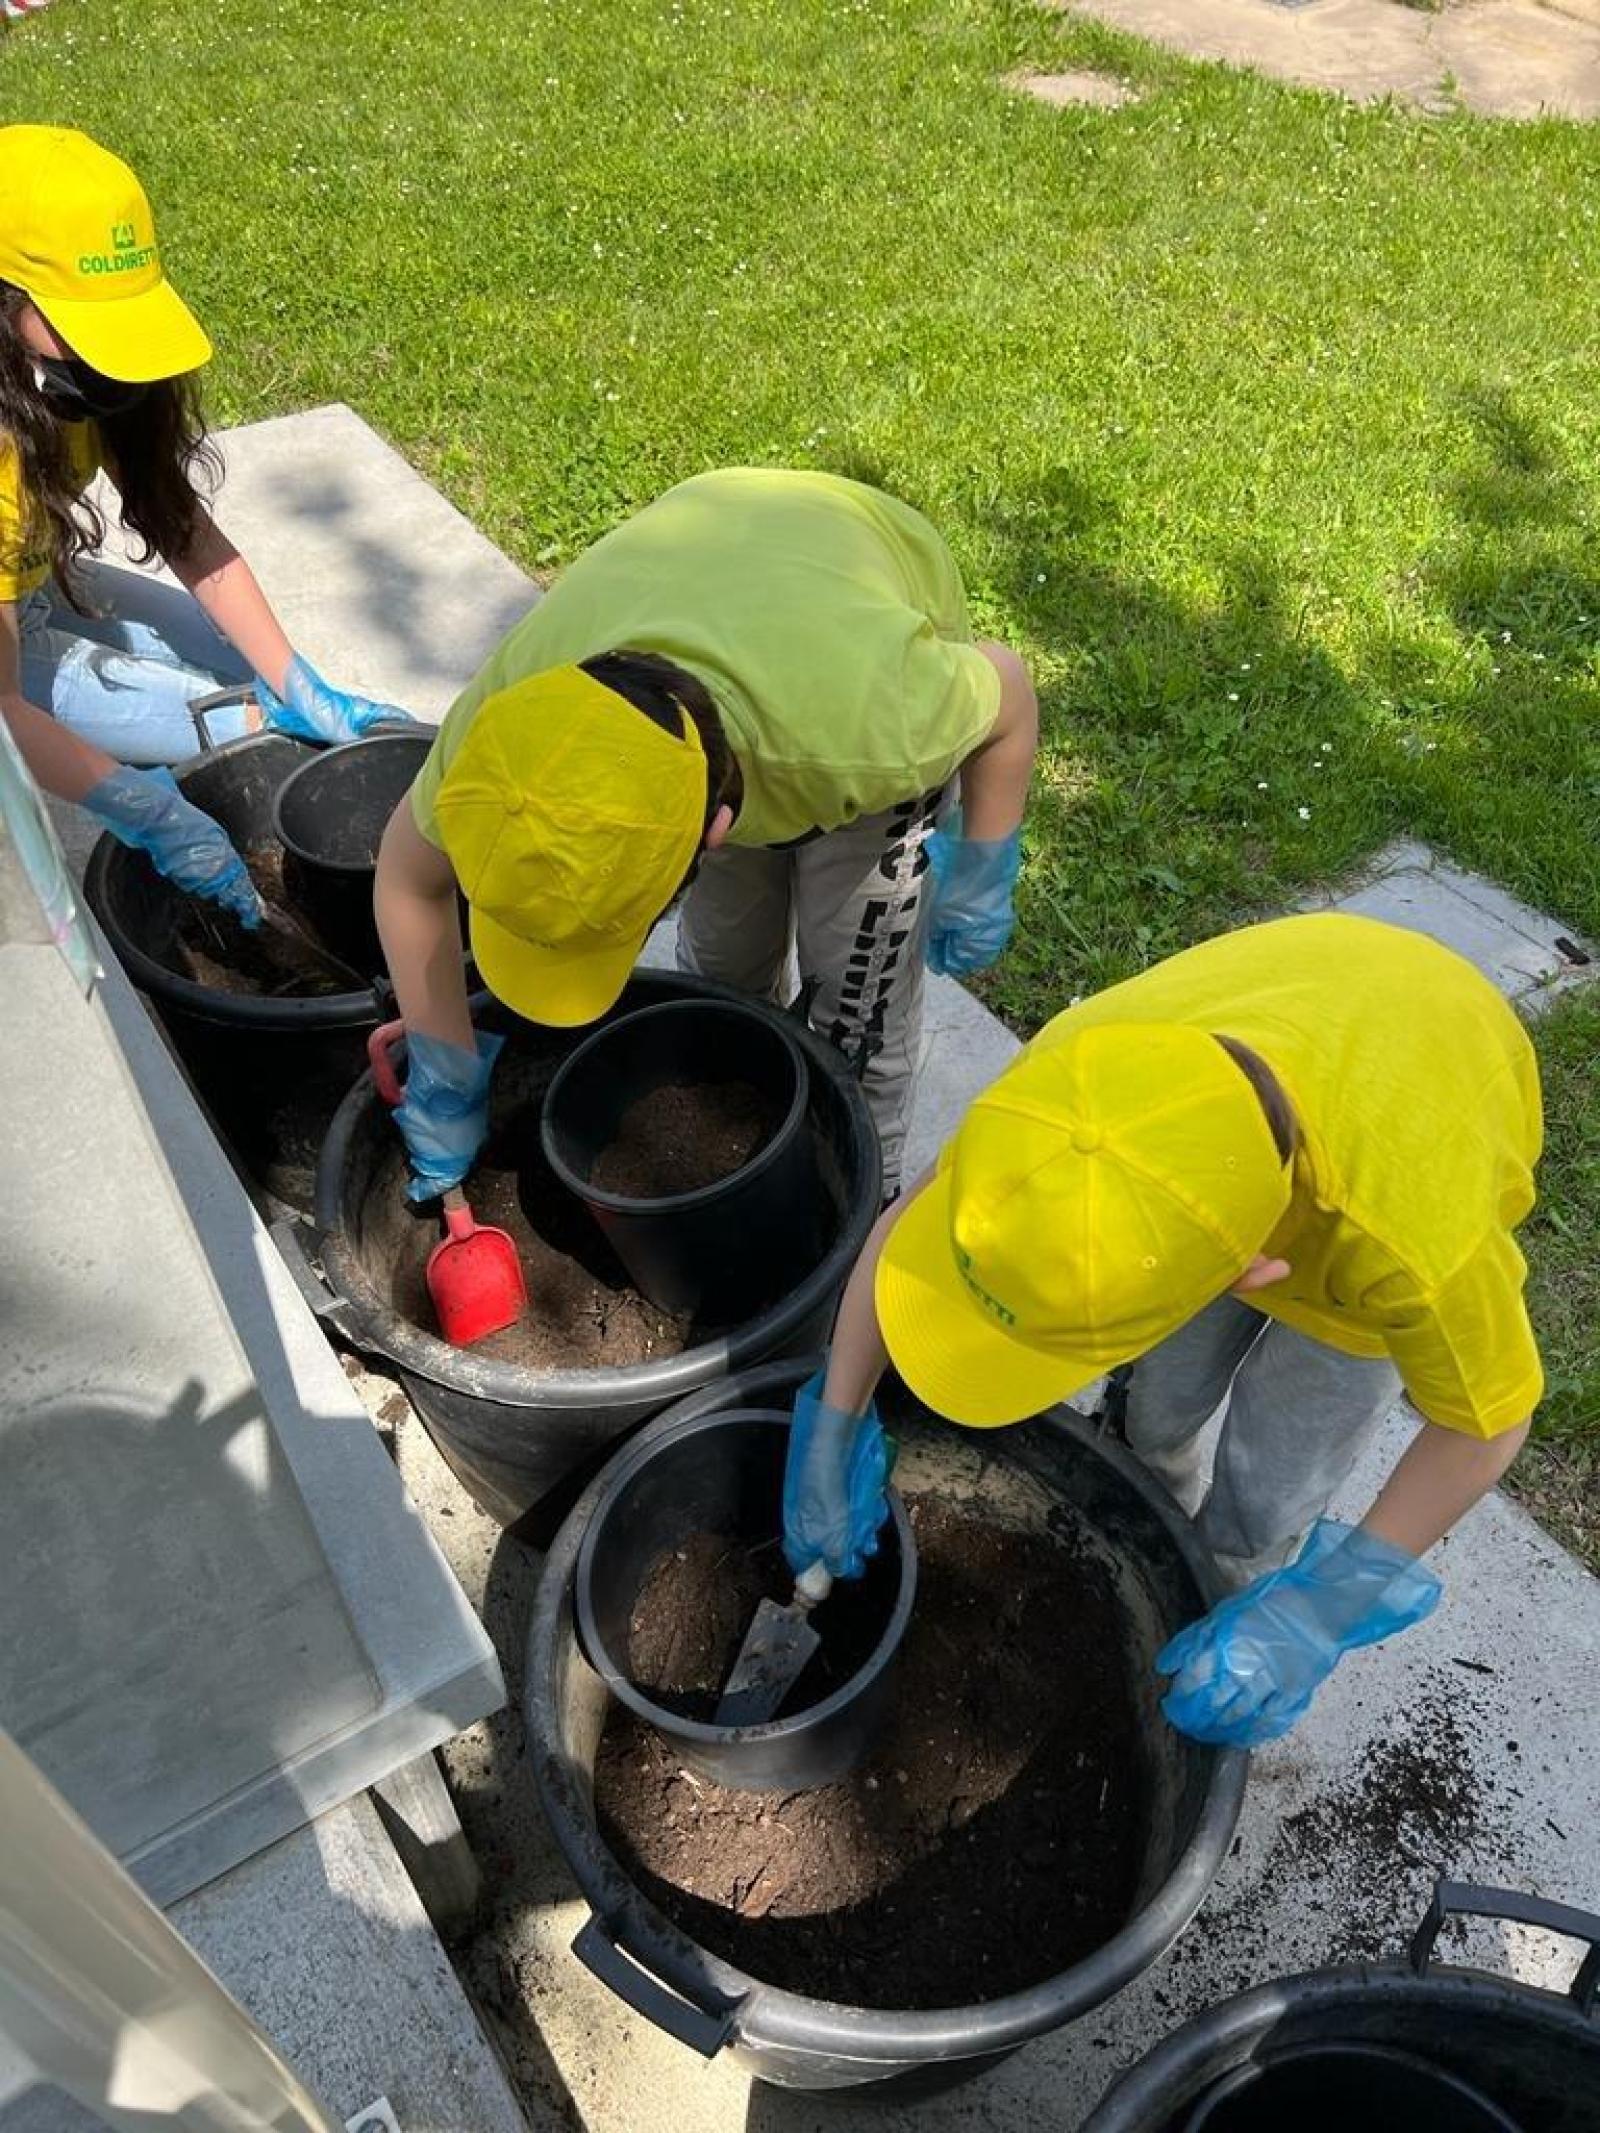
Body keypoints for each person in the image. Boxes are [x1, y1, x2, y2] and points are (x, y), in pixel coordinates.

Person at [782, 912, 1542, 1748]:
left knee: (1274, 1482)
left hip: (1413, 1132)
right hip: (1315, 1027)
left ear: (1244, 1273)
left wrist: (1316, 1611)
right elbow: (914, 1220)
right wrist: (835, 1416)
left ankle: (1229, 1588)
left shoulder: (1418, 1250)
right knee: (1156, 1410)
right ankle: (1153, 1526)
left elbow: (1487, 1423)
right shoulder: (1078, 1088)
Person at [373, 466, 1038, 1200]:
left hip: (854, 577)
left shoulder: (874, 731)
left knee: (855, 1023)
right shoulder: (510, 722)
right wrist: (445, 1071)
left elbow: (1009, 690)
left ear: (715, 831)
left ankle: (854, 1202)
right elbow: (407, 881)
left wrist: (982, 869)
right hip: (717, 571)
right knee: (723, 972)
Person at [0, 125, 413, 925]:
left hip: (27, 583)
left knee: (238, 666)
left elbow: (184, 531)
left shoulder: (85, 377)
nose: (112, 359)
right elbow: (2, 705)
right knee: (222, 720)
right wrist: (149, 812)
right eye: (84, 324)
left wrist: (298, 681)